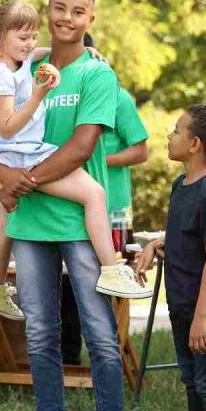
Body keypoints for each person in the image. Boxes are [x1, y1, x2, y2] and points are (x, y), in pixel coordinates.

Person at [0, 0, 125, 411]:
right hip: (30, 224)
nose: (66, 18)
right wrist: (4, 177)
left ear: (90, 19)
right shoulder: (19, 68)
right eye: (59, 8)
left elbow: (82, 147)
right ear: (47, 13)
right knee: (40, 338)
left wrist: (22, 181)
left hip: (79, 225)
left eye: (78, 11)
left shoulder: (97, 75)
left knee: (101, 338)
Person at [0, 0, 149, 322]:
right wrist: (40, 95)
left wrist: (84, 52)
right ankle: (110, 268)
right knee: (94, 194)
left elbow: (41, 53)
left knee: (7, 222)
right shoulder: (0, 74)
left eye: (32, 37)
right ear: (0, 35)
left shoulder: (16, 64)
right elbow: (7, 126)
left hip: (20, 154)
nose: (30, 45)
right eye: (23, 38)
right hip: (22, 152)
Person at [136, 105, 206, 411]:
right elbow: (185, 231)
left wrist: (202, 317)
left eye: (177, 130)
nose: (170, 135)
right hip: (182, 303)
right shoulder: (182, 185)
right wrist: (154, 244)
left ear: (194, 144)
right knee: (192, 380)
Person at [61, 33, 150, 365]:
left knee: (107, 279)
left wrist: (94, 160)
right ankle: (69, 356)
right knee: (68, 279)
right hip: (70, 201)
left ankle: (110, 356)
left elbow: (141, 150)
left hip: (110, 207)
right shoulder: (57, 93)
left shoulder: (118, 96)